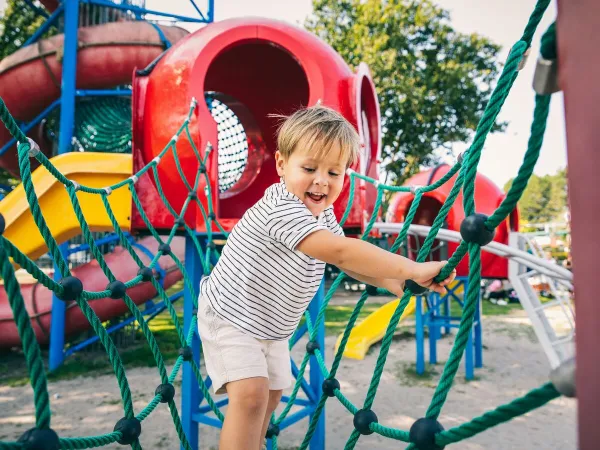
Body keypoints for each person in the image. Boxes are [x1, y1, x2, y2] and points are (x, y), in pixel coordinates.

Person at [196, 105, 457, 450]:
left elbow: (348, 263)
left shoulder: (322, 214)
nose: (321, 180)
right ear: (281, 164)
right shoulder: (282, 208)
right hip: (230, 317)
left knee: (271, 397)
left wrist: (388, 282)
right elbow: (342, 252)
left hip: (270, 327)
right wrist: (410, 268)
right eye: (309, 168)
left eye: (334, 173)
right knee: (250, 397)